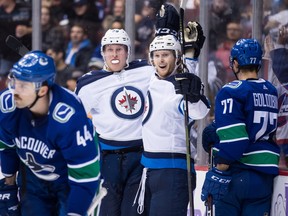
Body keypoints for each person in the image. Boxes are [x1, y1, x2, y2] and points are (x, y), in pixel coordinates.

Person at [0, 51, 100, 215]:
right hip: (34, 177)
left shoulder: (70, 118)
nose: (15, 91)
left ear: (42, 90)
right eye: (14, 82)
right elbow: (6, 144)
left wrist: (75, 212)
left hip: (71, 180)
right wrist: (9, 183)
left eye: (23, 86)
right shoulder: (7, 106)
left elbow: (85, 177)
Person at [75, 28, 155, 216]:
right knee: (107, 211)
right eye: (110, 49)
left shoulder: (145, 71)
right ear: (103, 53)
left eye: (120, 49)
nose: (115, 54)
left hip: (140, 157)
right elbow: (75, 121)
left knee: (134, 212)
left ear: (128, 51)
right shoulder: (88, 84)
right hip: (107, 159)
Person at [133, 21, 210, 215]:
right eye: (157, 56)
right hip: (148, 169)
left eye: (166, 55)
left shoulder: (181, 87)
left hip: (174, 170)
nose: (161, 60)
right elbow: (184, 65)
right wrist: (187, 51)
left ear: (176, 58)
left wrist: (194, 96)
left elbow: (199, 111)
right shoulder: (152, 80)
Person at [201, 38, 280, 215]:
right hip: (263, 178)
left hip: (236, 173)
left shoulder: (232, 90)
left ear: (235, 63)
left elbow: (235, 140)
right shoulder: (270, 90)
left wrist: (219, 170)